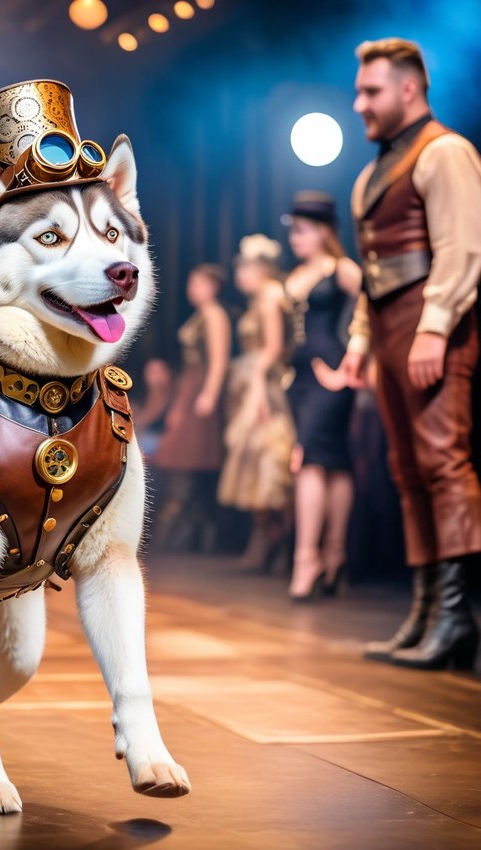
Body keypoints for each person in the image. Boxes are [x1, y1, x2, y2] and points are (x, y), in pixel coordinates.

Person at [341, 39, 481, 669]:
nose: (359, 103)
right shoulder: (371, 176)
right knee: (408, 469)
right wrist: (362, 342)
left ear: (408, 89)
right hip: (394, 330)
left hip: (431, 328)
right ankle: (427, 613)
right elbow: (373, 274)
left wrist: (436, 325)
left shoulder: (445, 151)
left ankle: (456, 616)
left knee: (443, 462)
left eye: (370, 91)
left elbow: (462, 246)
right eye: (359, 90)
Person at [283, 192, 362, 601]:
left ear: (323, 232)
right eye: (293, 231)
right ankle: (335, 557)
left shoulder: (342, 269)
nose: (295, 238)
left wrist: (351, 361)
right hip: (299, 378)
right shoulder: (297, 274)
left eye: (302, 230)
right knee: (332, 460)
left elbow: (370, 309)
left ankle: (307, 559)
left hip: (331, 373)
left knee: (311, 459)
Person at [218, 235, 295, 568]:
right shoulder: (259, 299)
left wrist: (259, 390)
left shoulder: (270, 295)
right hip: (252, 383)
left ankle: (283, 542)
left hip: (266, 385)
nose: (240, 273)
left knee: (270, 459)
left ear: (262, 268)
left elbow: (274, 348)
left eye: (246, 266)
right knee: (254, 462)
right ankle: (266, 541)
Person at [153, 264, 231, 551]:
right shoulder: (202, 315)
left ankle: (192, 528)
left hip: (200, 387)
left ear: (212, 286)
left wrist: (209, 393)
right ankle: (188, 527)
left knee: (188, 455)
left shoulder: (214, 315)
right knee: (182, 457)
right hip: (190, 384)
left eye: (198, 283)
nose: (192, 289)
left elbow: (219, 359)